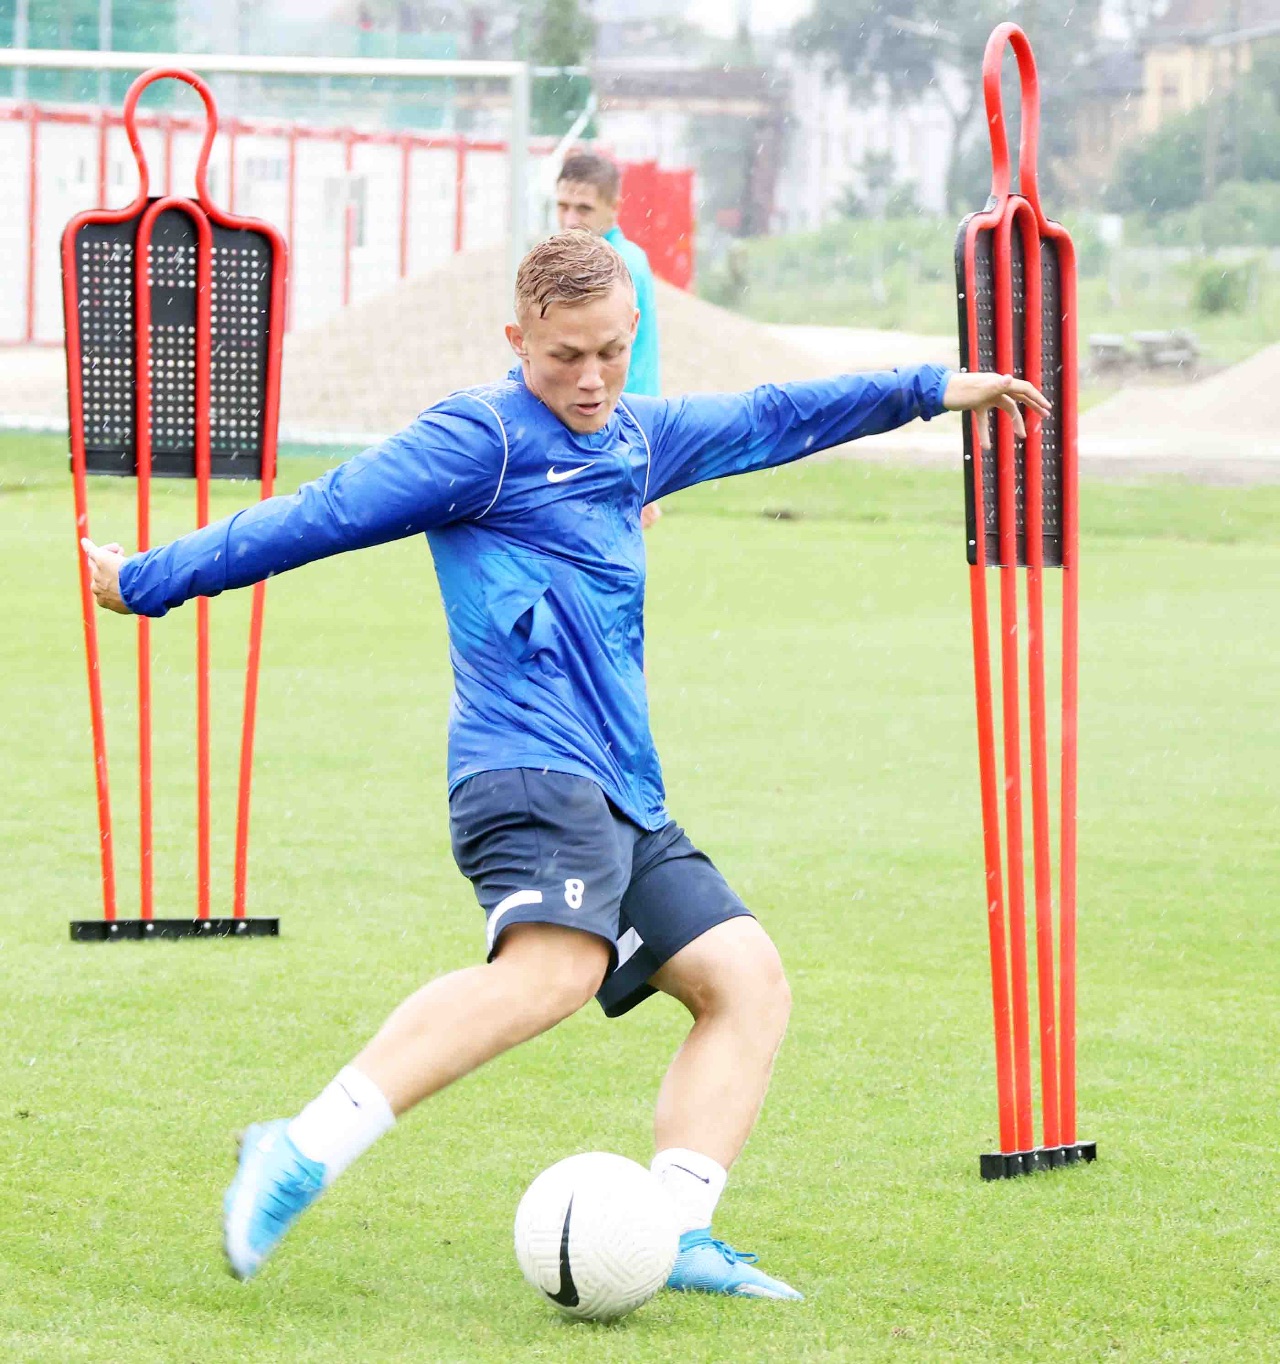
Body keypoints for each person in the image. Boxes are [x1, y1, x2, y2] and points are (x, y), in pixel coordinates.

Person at [82, 228, 1049, 1300]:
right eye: (563, 358)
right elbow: (324, 514)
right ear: (518, 341)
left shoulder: (636, 436)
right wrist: (149, 579)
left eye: (609, 353)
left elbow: (773, 416)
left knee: (745, 980)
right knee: (553, 972)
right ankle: (300, 1146)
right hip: (527, 769)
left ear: (631, 333)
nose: (590, 379)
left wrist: (929, 388)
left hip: (621, 787)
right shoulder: (480, 440)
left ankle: (675, 1230)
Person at [555, 151, 666, 529]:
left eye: (584, 208)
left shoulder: (612, 266)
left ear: (614, 208)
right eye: (563, 206)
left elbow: (613, 365)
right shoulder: (603, 258)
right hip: (608, 429)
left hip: (613, 433)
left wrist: (636, 462)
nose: (570, 220)